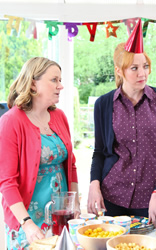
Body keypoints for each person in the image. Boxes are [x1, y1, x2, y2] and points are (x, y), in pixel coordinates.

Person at [87, 19, 156, 228]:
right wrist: (94, 184)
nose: (142, 73)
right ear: (119, 71)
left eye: (145, 66)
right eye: (134, 68)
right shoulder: (103, 104)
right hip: (112, 194)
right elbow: (100, 151)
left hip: (150, 197)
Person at [0, 57, 80, 249]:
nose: (61, 86)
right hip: (27, 218)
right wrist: (27, 224)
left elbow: (71, 165)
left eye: (60, 80)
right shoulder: (11, 121)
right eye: (54, 80)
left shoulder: (59, 116)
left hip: (60, 216)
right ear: (33, 84)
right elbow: (7, 182)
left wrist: (74, 202)